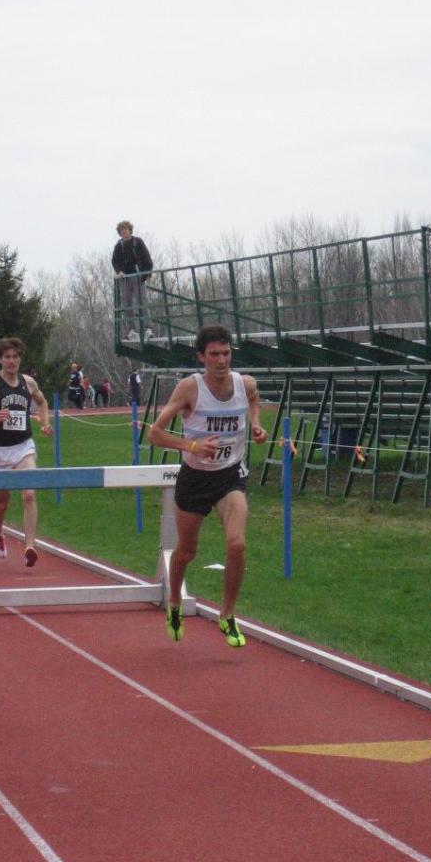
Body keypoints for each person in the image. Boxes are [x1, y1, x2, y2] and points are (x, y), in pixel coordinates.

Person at [148, 324, 268, 648]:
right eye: (214, 354)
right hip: (195, 477)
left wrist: (256, 425)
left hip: (229, 475)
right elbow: (154, 433)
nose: (221, 360)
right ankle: (174, 601)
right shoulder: (190, 389)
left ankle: (227, 615)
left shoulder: (245, 384)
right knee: (187, 551)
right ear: (201, 356)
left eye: (226, 353)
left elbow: (254, 400)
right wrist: (191, 446)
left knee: (237, 544)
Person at [0, 336, 52, 567]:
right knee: (3, 501)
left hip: (24, 446)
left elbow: (42, 403)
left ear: (20, 358)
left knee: (29, 494)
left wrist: (44, 423)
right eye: (7, 357)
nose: (12, 361)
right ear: (0, 359)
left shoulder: (29, 383)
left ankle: (30, 547)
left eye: (15, 357)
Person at [111, 220, 153, 339]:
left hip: (138, 277)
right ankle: (131, 330)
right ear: (120, 232)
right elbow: (114, 261)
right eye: (121, 230)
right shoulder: (119, 245)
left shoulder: (137, 242)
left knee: (142, 302)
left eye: (126, 229)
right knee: (127, 304)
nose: (124, 232)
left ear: (130, 230)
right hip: (124, 279)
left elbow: (147, 259)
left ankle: (148, 328)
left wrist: (145, 274)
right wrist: (119, 272)